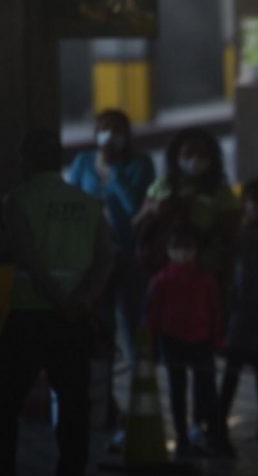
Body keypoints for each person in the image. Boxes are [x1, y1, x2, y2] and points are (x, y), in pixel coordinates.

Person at [0, 130, 115, 476]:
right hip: (73, 320)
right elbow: (107, 258)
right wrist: (83, 300)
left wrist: (59, 300)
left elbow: (27, 259)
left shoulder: (17, 201)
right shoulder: (87, 203)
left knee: (3, 407)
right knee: (74, 405)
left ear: (26, 161)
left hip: (27, 315)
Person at [67, 109, 155, 361]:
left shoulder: (140, 163)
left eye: (117, 130)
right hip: (93, 252)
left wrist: (114, 171)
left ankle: (140, 378)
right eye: (105, 129)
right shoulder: (84, 162)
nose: (110, 135)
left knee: (133, 315)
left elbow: (135, 206)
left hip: (128, 251)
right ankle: (104, 388)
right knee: (100, 318)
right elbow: (73, 202)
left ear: (127, 135)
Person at [146, 227, 231, 458]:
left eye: (187, 247)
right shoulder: (162, 280)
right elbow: (152, 315)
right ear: (168, 250)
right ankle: (183, 435)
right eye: (177, 248)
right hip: (172, 341)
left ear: (195, 251)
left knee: (205, 390)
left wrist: (218, 339)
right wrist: (152, 344)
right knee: (178, 390)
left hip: (200, 340)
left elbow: (215, 311)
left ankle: (206, 433)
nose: (182, 253)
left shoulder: (205, 279)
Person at [218, 179, 258, 442]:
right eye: (254, 200)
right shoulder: (238, 235)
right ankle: (219, 419)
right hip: (240, 314)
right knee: (231, 372)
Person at [140, 128, 240, 290]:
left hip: (207, 272)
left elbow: (231, 239)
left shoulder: (221, 193)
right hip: (165, 272)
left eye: (202, 155)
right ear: (175, 157)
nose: (195, 159)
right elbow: (137, 223)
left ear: (212, 159)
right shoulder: (162, 186)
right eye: (188, 154)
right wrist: (154, 209)